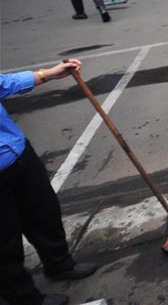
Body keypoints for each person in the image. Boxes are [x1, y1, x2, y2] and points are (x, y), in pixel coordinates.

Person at [2, 59, 98, 305]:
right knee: (4, 243)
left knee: (44, 213)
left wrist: (47, 75)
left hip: (16, 151)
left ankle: (59, 264)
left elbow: (2, 83)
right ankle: (24, 299)